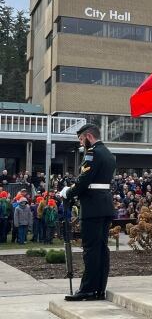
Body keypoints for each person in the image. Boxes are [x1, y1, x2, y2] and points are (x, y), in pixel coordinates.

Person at [60, 123, 117, 301]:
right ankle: (99, 288)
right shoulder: (108, 153)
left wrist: (68, 192)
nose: (80, 143)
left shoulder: (92, 153)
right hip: (104, 205)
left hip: (92, 207)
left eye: (81, 139)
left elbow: (85, 180)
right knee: (101, 249)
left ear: (89, 136)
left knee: (91, 249)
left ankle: (88, 290)